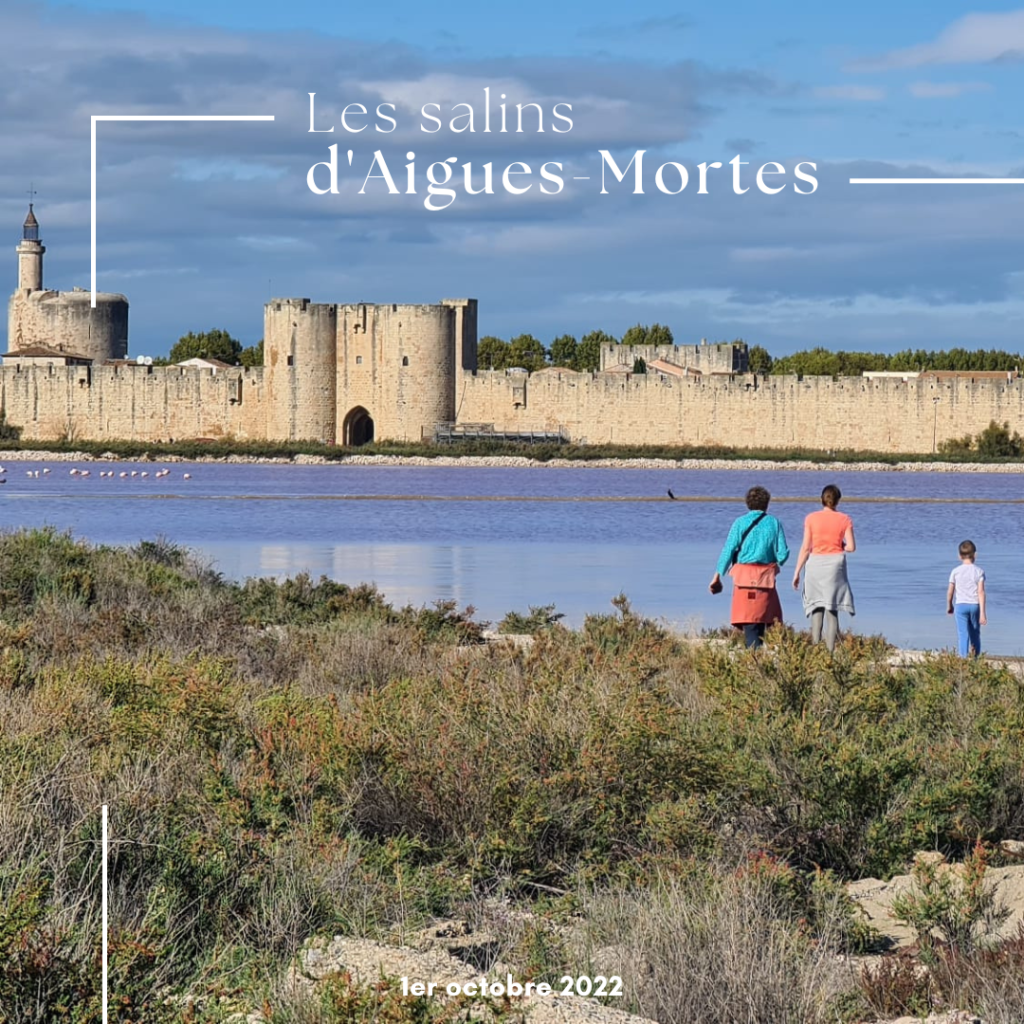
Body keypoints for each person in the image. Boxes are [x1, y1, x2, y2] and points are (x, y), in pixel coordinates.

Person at [709, 485, 789, 649]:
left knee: (749, 623)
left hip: (743, 579)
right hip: (765, 580)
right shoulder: (774, 523)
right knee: (764, 621)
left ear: (748, 503)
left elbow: (728, 550)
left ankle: (752, 659)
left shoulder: (740, 523)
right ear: (767, 503)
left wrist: (718, 575)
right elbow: (783, 555)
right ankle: (758, 661)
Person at [791, 484, 855, 652]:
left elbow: (805, 547)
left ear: (822, 499)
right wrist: (840, 545)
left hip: (815, 564)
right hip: (835, 565)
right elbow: (851, 547)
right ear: (837, 501)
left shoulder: (811, 518)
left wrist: (797, 572)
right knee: (831, 608)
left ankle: (815, 647)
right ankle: (830, 652)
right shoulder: (844, 519)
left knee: (815, 606)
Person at [947, 539, 986, 658]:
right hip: (974, 605)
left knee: (963, 634)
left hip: (960, 605)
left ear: (959, 556)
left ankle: (963, 659)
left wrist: (949, 605)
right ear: (975, 555)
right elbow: (981, 592)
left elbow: (950, 591)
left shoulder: (955, 571)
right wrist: (983, 613)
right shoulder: (979, 571)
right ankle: (975, 659)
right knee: (975, 633)